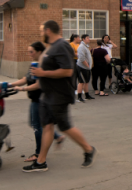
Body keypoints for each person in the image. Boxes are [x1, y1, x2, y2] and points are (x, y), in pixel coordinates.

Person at [23, 21, 96, 172]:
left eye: (42, 30)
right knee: (47, 126)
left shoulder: (62, 45)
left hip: (59, 95)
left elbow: (68, 71)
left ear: (48, 30)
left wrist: (43, 73)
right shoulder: (51, 47)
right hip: (48, 94)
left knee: (65, 126)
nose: (40, 33)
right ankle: (41, 162)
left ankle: (88, 149)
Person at [11, 41, 65, 162]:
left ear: (39, 52)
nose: (29, 54)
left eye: (32, 52)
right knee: (38, 124)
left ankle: (38, 154)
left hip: (41, 100)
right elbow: (25, 78)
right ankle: (58, 137)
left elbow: (38, 85)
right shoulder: (34, 64)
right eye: (29, 51)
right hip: (35, 99)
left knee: (37, 126)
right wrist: (9, 85)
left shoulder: (43, 65)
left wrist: (22, 89)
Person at [76, 34, 93, 102]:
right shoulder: (81, 47)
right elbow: (82, 58)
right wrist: (88, 66)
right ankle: (79, 97)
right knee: (81, 82)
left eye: (89, 38)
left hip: (86, 68)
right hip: (82, 67)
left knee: (86, 81)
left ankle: (87, 95)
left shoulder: (86, 46)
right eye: (87, 38)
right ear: (83, 39)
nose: (89, 39)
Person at [69, 34, 81, 99]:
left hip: (79, 61)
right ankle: (74, 89)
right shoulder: (71, 44)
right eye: (78, 37)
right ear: (75, 38)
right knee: (74, 75)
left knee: (79, 74)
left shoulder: (79, 45)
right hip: (73, 60)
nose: (79, 39)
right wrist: (80, 55)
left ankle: (79, 88)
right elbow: (73, 53)